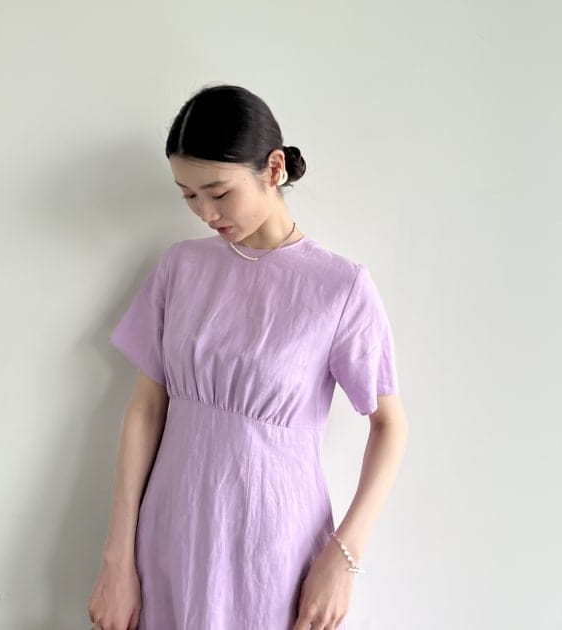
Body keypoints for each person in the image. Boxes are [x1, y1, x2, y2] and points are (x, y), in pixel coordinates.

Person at [87, 83, 409, 630]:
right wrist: (118, 558)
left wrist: (344, 558)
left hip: (275, 551)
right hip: (170, 538)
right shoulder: (180, 268)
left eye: (218, 192)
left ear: (273, 168)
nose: (205, 212)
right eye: (188, 196)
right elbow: (146, 409)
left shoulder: (340, 288)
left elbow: (390, 426)